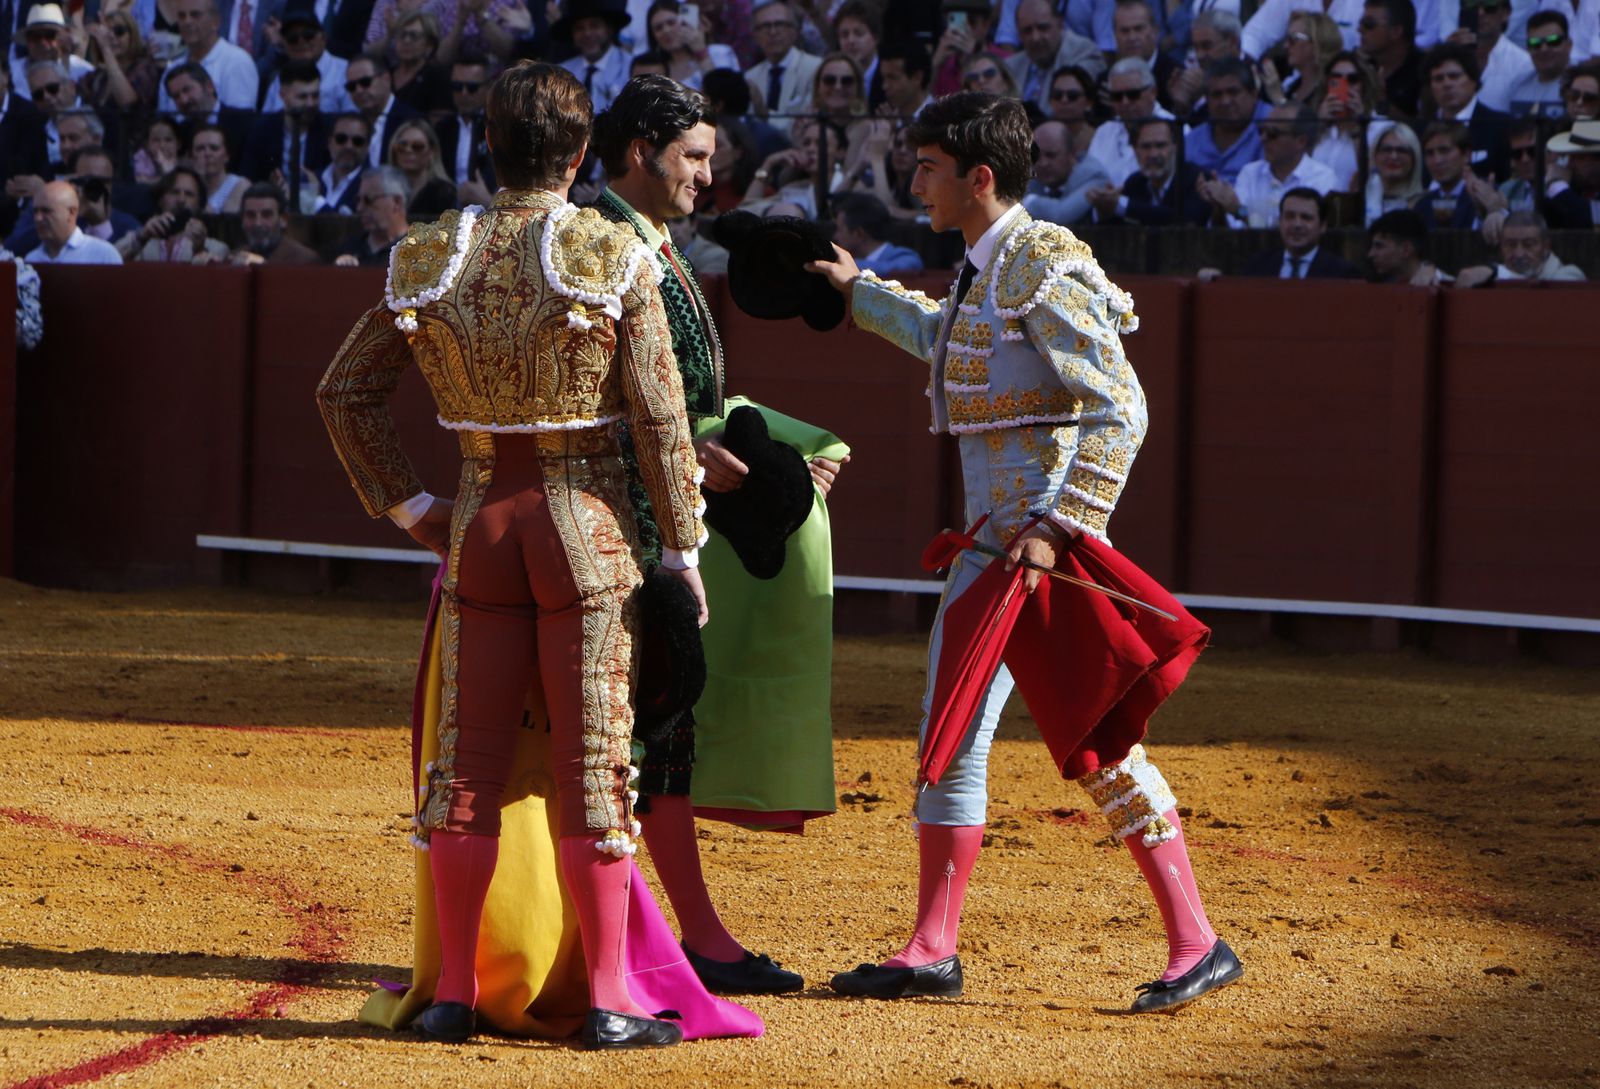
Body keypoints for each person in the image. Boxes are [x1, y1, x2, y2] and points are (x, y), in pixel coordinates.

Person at [806, 90, 1237, 1014]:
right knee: (950, 731)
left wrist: (1060, 525)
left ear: (979, 177)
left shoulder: (1042, 260)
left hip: (1046, 554)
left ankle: (1198, 940)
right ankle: (932, 947)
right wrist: (859, 292)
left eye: (928, 169)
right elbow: (945, 340)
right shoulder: (985, 267)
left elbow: (1121, 405)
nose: (913, 183)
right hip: (990, 553)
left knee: (1101, 744)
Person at [317, 59, 707, 1051]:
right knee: (592, 768)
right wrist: (684, 549)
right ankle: (610, 996)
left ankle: (454, 991)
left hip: (480, 525)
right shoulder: (612, 252)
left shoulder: (428, 254)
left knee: (466, 769)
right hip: (585, 529)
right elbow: (662, 420)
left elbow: (343, 392)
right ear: (579, 156)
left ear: (488, 145)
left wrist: (412, 507)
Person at [589, 72, 850, 996]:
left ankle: (684, 936)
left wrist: (731, 445)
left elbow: (682, 400)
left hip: (653, 519)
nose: (706, 175)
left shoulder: (649, 243)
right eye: (693, 157)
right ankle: (652, 941)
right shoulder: (603, 244)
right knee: (624, 739)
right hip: (613, 528)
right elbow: (579, 394)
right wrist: (679, 449)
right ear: (640, 152)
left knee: (656, 733)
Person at [1202, 101, 1339, 225]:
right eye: (1262, 131)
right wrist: (1219, 205)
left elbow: (1292, 230)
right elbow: (1234, 226)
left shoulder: (1322, 178)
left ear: (1301, 141)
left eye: (1273, 133)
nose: (1263, 138)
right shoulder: (1250, 173)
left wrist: (1239, 210)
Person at [1091, 116, 1210, 224]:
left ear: (1175, 147)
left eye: (1160, 145)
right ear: (1135, 150)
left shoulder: (1196, 179)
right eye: (1146, 147)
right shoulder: (1135, 182)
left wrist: (1123, 205)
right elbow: (1116, 227)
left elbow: (1187, 220)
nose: (1153, 154)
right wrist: (1104, 207)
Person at [240, 60, 332, 198]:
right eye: (302, 97)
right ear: (283, 95)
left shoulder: (329, 129)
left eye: (315, 96)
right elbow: (249, 177)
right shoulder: (262, 130)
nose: (310, 103)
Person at [1423, 41, 1512, 178]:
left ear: (1473, 80)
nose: (1447, 84)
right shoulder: (1421, 128)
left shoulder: (1502, 125)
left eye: (1454, 76)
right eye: (1438, 79)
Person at [1086, 57, 1175, 187]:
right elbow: (1090, 179)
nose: (1125, 102)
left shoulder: (1176, 128)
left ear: (1153, 92)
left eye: (1133, 95)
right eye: (1117, 97)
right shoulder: (1104, 132)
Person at [157, 0, 260, 111]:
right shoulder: (172, 69)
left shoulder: (237, 62)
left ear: (215, 22)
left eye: (195, 15)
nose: (187, 22)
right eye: (182, 16)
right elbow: (164, 117)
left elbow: (241, 118)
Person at [1006, 0, 1105, 114]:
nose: (1035, 37)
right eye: (1027, 31)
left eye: (1042, 28)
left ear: (1060, 24)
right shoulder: (1011, 67)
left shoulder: (1084, 53)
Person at [1235, 187, 1362, 276]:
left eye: (1306, 218)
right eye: (1290, 216)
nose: (1297, 224)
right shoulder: (1257, 267)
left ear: (1322, 226)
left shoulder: (1342, 273)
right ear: (1280, 222)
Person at [260, 4, 356, 116]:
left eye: (308, 35)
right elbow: (266, 120)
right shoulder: (279, 78)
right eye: (293, 38)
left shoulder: (346, 72)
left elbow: (354, 120)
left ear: (323, 38)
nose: (301, 41)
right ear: (285, 45)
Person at [1186, 56, 1270, 183]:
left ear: (1253, 94)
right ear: (1207, 100)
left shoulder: (1275, 126)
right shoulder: (1191, 141)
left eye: (1233, 92)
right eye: (1217, 95)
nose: (1225, 101)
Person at [744, 0, 821, 131]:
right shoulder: (750, 77)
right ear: (755, 35)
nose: (773, 32)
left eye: (780, 24)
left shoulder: (815, 68)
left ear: (795, 31)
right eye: (765, 26)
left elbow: (804, 126)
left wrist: (765, 115)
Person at [126, 166, 230, 262]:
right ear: (160, 199)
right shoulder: (140, 241)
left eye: (189, 194)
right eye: (174, 192)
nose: (181, 200)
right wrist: (141, 237)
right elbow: (117, 258)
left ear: (199, 204)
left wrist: (199, 250)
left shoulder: (217, 249)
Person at [1447, 0, 1535, 113]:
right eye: (1472, 7)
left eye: (1490, 7)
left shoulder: (1524, 64)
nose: (1480, 13)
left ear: (1505, 13)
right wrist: (1446, 53)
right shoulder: (1448, 57)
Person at [1455, 209, 1586, 283]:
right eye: (1511, 245)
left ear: (1546, 246)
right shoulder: (1494, 277)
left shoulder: (1570, 274)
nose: (1519, 253)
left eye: (1528, 245)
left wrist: (1495, 272)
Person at [1023, 117, 1110, 225]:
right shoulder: (1031, 174)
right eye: (1036, 156)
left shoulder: (1094, 176)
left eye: (1051, 155)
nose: (1043, 163)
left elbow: (1060, 215)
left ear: (1072, 154)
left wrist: (1025, 201)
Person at [80, 8, 163, 116]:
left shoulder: (144, 68)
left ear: (132, 35)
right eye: (106, 33)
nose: (111, 36)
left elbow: (127, 102)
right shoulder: (98, 76)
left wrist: (106, 49)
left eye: (119, 31)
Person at [556, 0, 633, 113]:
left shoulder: (630, 68)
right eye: (580, 28)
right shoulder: (561, 73)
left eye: (594, 25)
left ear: (609, 29)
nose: (587, 33)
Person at [345, 53, 421, 167]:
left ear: (386, 79)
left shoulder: (412, 121)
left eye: (365, 82)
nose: (358, 90)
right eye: (351, 86)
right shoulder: (349, 125)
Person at [24, 178, 123, 264]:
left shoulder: (103, 255)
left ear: (71, 212)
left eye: (46, 211)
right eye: (35, 211)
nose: (38, 218)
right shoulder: (31, 259)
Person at [646, 0, 739, 90]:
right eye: (658, 28)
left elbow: (724, 94)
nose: (666, 30)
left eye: (671, 23)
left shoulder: (720, 53)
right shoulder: (657, 70)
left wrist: (701, 53)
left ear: (685, 22)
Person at [1167, 8, 1243, 116]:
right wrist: (1182, 106)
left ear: (1233, 42)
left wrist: (1206, 92)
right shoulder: (1200, 80)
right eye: (1196, 48)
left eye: (1207, 46)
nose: (1200, 55)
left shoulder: (1256, 78)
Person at [1261, 11, 1344, 106]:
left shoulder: (1330, 89)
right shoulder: (1293, 85)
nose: (1286, 46)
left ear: (1316, 44)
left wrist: (1278, 98)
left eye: (1293, 39)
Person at [1359, 0, 1425, 118]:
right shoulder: (1362, 67)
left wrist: (1380, 101)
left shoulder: (1425, 70)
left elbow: (1425, 125)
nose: (1360, 29)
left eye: (1369, 24)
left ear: (1396, 31)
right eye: (1361, 23)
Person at [333, 163, 409, 264]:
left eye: (368, 200)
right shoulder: (348, 250)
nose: (359, 208)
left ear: (397, 202)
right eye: (358, 200)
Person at [1413, 119, 1483, 227]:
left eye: (1444, 151)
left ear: (1466, 155)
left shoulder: (1485, 198)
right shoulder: (1422, 207)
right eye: (1430, 153)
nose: (1437, 160)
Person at [833, 189, 922, 274]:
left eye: (839, 229)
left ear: (859, 233)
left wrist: (841, 265)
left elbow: (910, 265)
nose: (835, 236)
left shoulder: (905, 258)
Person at [232, 181, 321, 262]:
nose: (258, 223)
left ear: (283, 220)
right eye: (251, 215)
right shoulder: (234, 258)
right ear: (242, 220)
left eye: (266, 215)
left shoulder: (304, 260)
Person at [1507, 9, 1574, 116]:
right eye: (1535, 43)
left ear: (1569, 45)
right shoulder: (1518, 87)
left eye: (1553, 41)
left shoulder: (1582, 87)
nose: (1544, 49)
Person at [387, 117, 457, 215]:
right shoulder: (384, 191)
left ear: (431, 153)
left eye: (417, 146)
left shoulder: (445, 193)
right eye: (402, 145)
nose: (408, 150)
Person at [1364, 119, 1426, 222]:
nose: (1393, 156)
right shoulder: (1363, 199)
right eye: (1386, 149)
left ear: (1415, 158)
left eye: (1401, 151)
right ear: (1374, 155)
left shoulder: (1424, 205)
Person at [1542, 118, 1600, 226]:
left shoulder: (1563, 192)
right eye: (1568, 156)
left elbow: (1591, 218)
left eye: (1579, 157)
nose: (1570, 164)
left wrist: (1557, 185)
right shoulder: (1572, 190)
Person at [833, 0, 884, 110]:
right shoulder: (832, 78)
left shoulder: (888, 77)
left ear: (875, 37)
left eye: (859, 33)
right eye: (844, 35)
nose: (851, 40)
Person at [191, 122, 251, 213]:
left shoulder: (240, 185)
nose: (207, 153)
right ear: (192, 157)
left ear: (226, 156)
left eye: (214, 148)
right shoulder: (185, 186)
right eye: (200, 149)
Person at [315, 112, 369, 213]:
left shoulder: (371, 185)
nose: (349, 146)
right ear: (329, 142)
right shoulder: (313, 178)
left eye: (357, 141)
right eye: (341, 139)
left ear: (367, 147)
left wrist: (317, 201)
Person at [1367, 206, 1436, 281]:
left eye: (1379, 246)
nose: (1371, 254)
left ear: (1406, 249)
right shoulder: (1387, 282)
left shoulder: (1441, 284)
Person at [1046, 65, 1098, 156]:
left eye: (1072, 95)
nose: (1064, 100)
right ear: (1050, 101)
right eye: (1057, 95)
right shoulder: (1040, 138)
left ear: (1089, 103)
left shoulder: (1100, 139)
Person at [876, 38, 932, 121]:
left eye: (892, 78)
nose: (885, 86)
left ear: (917, 77)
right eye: (883, 78)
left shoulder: (940, 120)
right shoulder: (887, 121)